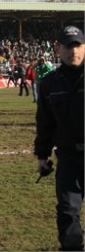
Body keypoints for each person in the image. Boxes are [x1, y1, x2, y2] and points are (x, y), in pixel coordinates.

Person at [34, 25, 84, 251]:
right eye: (68, 46)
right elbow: (45, 123)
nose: (73, 51)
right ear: (58, 49)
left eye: (78, 45)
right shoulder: (49, 83)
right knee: (67, 211)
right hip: (69, 158)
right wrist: (42, 156)